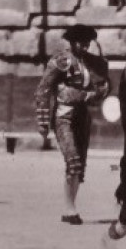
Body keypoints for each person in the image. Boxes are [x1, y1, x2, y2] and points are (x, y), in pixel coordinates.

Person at [35, 25, 110, 224]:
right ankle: (70, 209)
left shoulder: (94, 63)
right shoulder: (61, 60)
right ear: (72, 41)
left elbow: (102, 89)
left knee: (79, 165)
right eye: (81, 42)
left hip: (82, 116)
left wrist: (95, 93)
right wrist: (42, 121)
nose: (84, 46)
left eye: (87, 42)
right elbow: (43, 89)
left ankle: (70, 207)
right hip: (63, 116)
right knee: (73, 161)